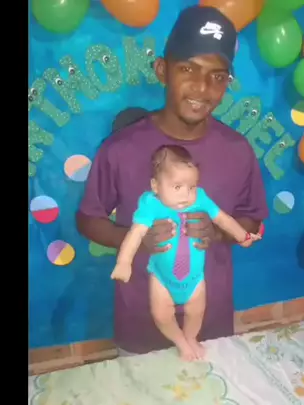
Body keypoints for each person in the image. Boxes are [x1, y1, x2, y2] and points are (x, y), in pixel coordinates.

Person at [76, 5, 269, 357]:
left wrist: (218, 232)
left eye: (217, 76)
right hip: (139, 327)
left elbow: (251, 218)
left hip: (211, 328)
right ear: (162, 70)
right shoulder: (121, 148)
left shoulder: (238, 150)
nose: (202, 87)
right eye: (188, 69)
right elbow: (88, 219)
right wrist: (136, 239)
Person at [110, 145, 261, 361]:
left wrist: (242, 237)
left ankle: (190, 337)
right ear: (155, 185)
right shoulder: (150, 205)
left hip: (195, 278)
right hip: (161, 279)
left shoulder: (200, 199)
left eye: (192, 186)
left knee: (196, 312)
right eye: (177, 186)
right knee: (161, 315)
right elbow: (135, 234)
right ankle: (180, 340)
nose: (186, 195)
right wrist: (124, 262)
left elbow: (223, 219)